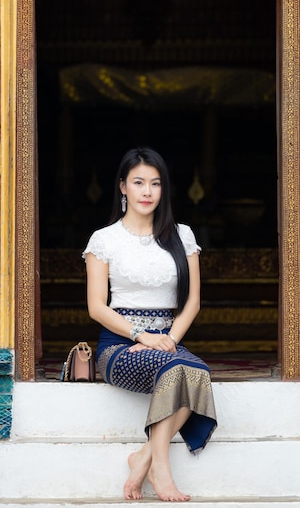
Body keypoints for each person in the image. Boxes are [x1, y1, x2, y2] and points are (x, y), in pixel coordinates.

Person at [83, 147, 217, 502]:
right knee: (180, 372)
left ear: (163, 189)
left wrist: (168, 339)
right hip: (118, 346)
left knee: (197, 373)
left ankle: (142, 457)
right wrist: (141, 336)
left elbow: (193, 302)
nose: (147, 192)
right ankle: (160, 467)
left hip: (166, 344)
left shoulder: (182, 235)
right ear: (122, 187)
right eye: (138, 182)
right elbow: (96, 306)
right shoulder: (104, 239)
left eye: (155, 184)